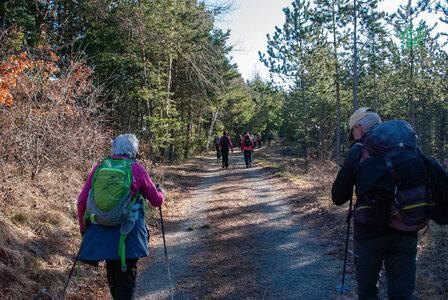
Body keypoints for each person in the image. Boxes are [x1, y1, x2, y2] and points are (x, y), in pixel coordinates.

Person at [332, 108, 425, 300]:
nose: (354, 138)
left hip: (369, 232)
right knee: (402, 294)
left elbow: (338, 197)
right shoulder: (407, 148)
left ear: (358, 128)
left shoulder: (358, 151)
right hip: (406, 227)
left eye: (353, 133)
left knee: (367, 293)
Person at [77, 134, 164, 300]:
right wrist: (161, 194)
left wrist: (83, 228)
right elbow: (156, 200)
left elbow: (82, 201)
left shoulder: (100, 167)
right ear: (133, 151)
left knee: (112, 274)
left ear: (114, 148)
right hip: (129, 232)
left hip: (102, 231)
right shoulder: (136, 169)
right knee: (126, 279)